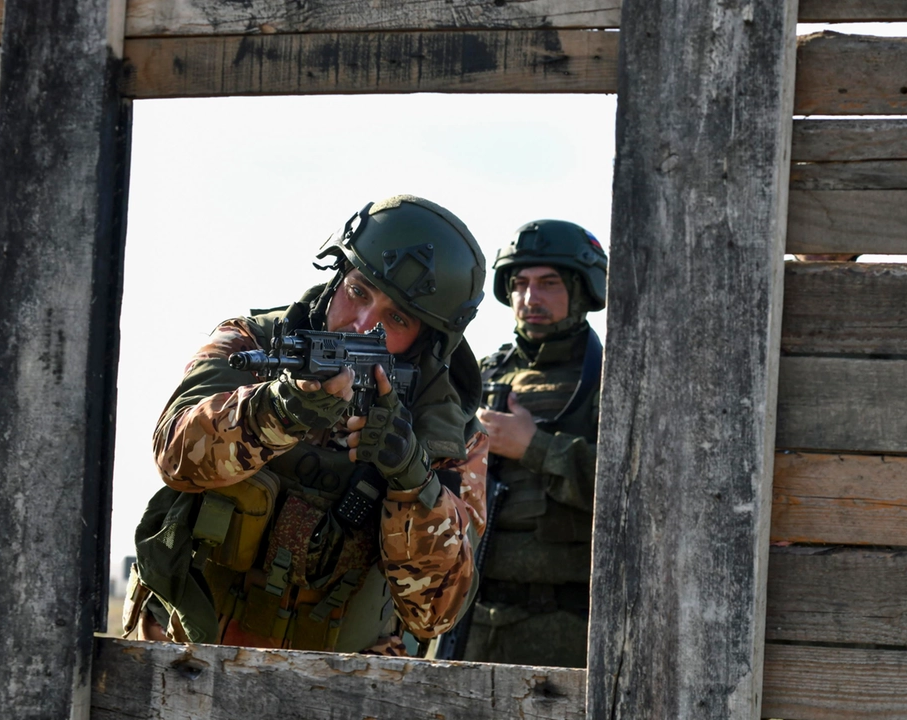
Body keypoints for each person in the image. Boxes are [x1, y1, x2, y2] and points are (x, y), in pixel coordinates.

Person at [123, 195, 490, 655]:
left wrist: (410, 477)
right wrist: (276, 412)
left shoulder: (450, 434)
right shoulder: (253, 343)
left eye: (395, 318)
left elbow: (435, 614)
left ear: (428, 341)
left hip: (344, 687)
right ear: (336, 277)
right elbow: (175, 456)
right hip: (188, 654)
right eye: (358, 292)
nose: (360, 325)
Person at [460, 219, 606, 667]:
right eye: (520, 285)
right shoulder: (480, 374)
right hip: (471, 618)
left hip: (563, 629)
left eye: (548, 284)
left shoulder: (610, 378)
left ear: (580, 291)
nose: (530, 299)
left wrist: (534, 448)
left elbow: (638, 497)